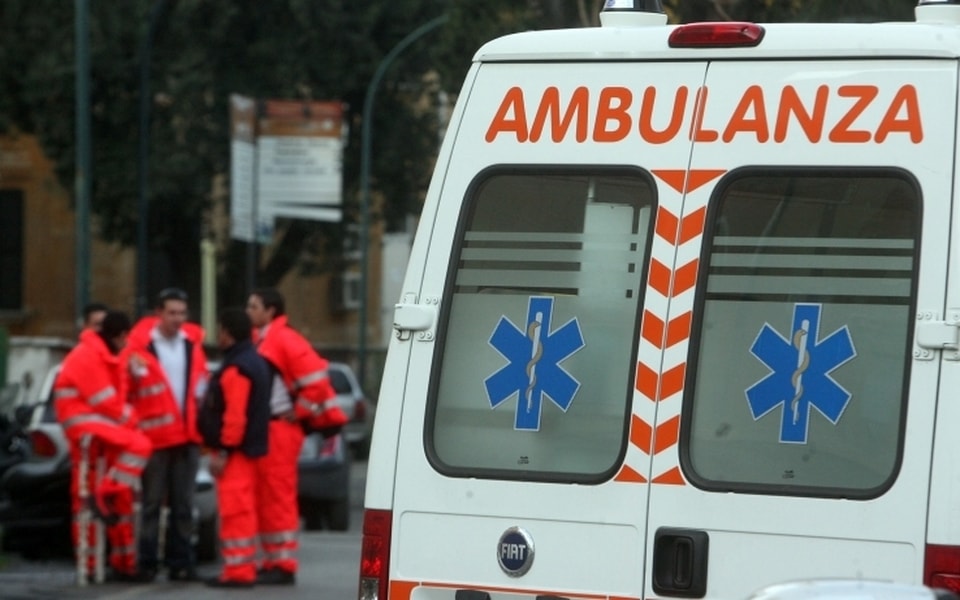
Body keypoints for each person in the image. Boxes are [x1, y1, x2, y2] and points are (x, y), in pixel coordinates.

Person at [245, 287, 347, 585]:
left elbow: (316, 379)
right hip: (271, 428)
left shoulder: (283, 339)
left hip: (280, 430)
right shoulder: (265, 339)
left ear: (270, 310)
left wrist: (298, 412)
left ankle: (283, 564)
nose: (248, 311)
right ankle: (272, 560)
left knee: (278, 497)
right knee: (268, 496)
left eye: (253, 306)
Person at [53, 310, 153, 582]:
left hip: (99, 430)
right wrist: (132, 420)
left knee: (120, 501)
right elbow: (105, 400)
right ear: (120, 336)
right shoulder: (88, 356)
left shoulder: (108, 355)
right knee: (138, 447)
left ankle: (123, 562)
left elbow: (117, 395)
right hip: (87, 430)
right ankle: (90, 564)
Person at [123, 287, 208, 582]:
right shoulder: (140, 349)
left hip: (187, 438)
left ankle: (181, 563)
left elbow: (200, 388)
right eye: (172, 313)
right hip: (155, 439)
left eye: (182, 313)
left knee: (183, 505)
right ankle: (146, 563)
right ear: (158, 313)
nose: (177, 319)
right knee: (151, 505)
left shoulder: (191, 345)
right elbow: (130, 394)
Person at [198, 307, 271, 588]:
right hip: (247, 451)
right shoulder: (252, 361)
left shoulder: (238, 367)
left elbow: (234, 418)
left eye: (220, 329)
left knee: (235, 512)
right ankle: (240, 568)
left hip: (236, 454)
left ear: (226, 333)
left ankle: (238, 571)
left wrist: (224, 452)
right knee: (243, 510)